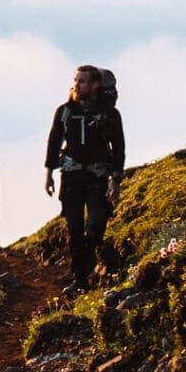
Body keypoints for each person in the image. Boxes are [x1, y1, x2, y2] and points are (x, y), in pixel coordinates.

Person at [44, 64, 125, 290]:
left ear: (95, 85)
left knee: (97, 224)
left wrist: (115, 180)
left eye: (82, 81)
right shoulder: (65, 111)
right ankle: (80, 278)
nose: (77, 85)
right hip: (71, 177)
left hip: (98, 177)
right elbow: (54, 142)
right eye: (76, 81)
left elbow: (119, 148)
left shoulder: (110, 115)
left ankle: (87, 266)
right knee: (74, 228)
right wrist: (49, 173)